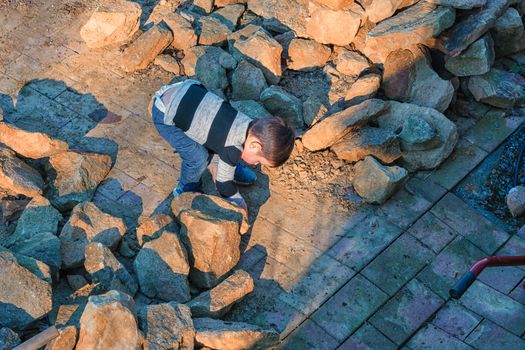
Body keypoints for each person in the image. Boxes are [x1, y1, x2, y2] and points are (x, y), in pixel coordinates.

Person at [151, 79, 295, 211]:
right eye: (258, 160)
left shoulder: (250, 124)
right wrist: (237, 201)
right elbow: (223, 185)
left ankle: (223, 166)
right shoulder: (232, 147)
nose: (256, 164)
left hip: (185, 89)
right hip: (164, 114)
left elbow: (224, 139)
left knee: (219, 138)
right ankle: (186, 188)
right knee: (197, 158)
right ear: (255, 146)